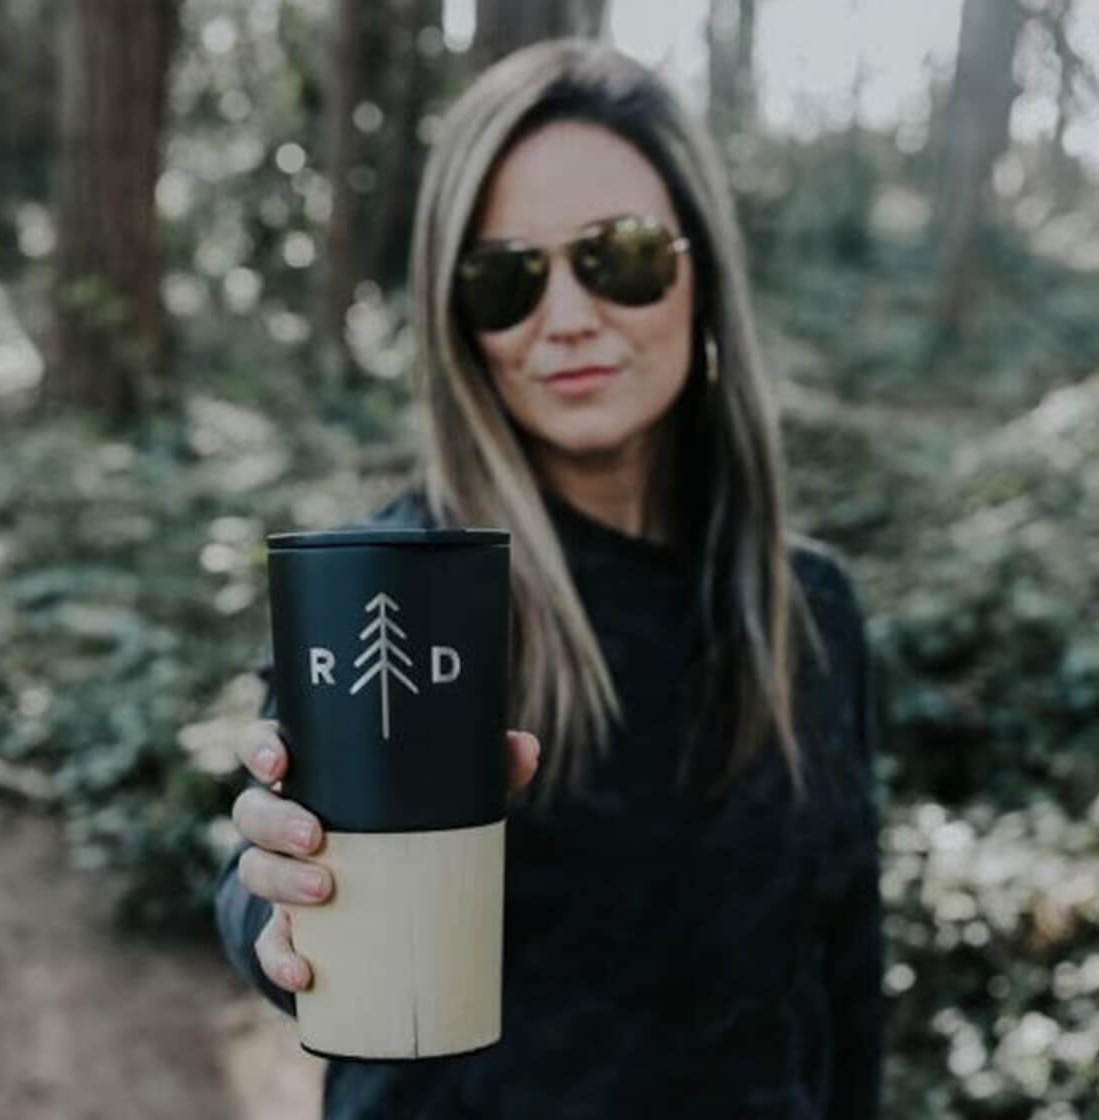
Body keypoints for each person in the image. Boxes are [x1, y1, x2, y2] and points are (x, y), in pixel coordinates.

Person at [215, 38, 881, 1120]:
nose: (565, 318)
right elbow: (269, 874)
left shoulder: (810, 612)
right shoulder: (404, 588)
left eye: (614, 257)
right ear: (457, 321)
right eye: (505, 278)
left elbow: (844, 982)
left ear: (699, 269)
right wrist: (280, 915)